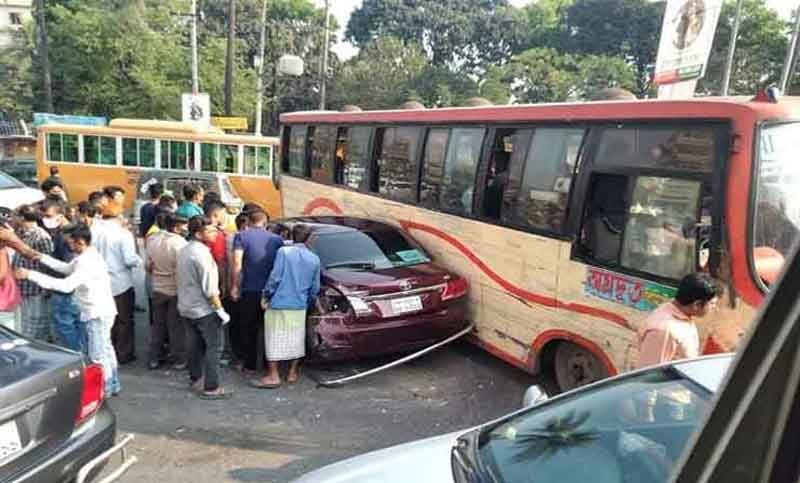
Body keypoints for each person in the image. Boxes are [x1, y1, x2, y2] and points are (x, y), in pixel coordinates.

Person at [9, 223, 121, 396]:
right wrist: (39, 257)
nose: (68, 246)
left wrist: (30, 275)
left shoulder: (87, 262)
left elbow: (66, 285)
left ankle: (103, 389)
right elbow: (66, 268)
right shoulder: (85, 256)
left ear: (80, 242)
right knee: (105, 349)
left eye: (70, 242)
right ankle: (111, 384)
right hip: (99, 311)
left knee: (98, 354)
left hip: (96, 313)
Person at [252, 224, 320, 388]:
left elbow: (275, 277)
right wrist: (308, 302)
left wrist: (266, 295)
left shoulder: (284, 252)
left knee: (274, 337)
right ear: (309, 239)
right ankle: (292, 372)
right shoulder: (314, 258)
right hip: (299, 304)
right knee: (296, 338)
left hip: (279, 302)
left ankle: (273, 375)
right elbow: (314, 288)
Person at [176, 216, 232, 400]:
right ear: (198, 234)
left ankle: (196, 379)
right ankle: (211, 386)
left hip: (186, 306)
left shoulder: (184, 250)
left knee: (193, 345)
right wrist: (220, 310)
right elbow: (210, 290)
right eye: (210, 231)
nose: (215, 234)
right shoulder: (202, 255)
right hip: (204, 310)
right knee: (214, 347)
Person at [92, 185, 141, 363]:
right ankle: (124, 354)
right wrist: (139, 260)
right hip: (121, 283)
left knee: (107, 321)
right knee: (124, 321)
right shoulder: (123, 234)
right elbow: (129, 259)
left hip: (100, 282)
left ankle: (108, 351)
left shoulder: (93, 229)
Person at [230, 209, 284, 373]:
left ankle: (250, 365)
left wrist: (234, 286)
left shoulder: (241, 237)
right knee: (270, 328)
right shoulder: (277, 239)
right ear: (265, 221)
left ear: (248, 221)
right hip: (271, 291)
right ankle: (270, 366)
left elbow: (237, 264)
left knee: (248, 328)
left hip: (249, 289)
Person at [636, 273, 721, 369]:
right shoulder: (664, 331)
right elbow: (649, 376)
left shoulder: (682, 315)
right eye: (712, 303)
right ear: (697, 304)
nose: (715, 308)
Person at [48, 202, 95, 352]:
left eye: (48, 215)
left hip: (67, 294)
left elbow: (68, 273)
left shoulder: (67, 240)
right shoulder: (67, 237)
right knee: (79, 330)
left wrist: (32, 275)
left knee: (68, 330)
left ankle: (78, 358)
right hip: (74, 295)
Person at [146, 213, 189, 370]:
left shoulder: (152, 240)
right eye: (184, 226)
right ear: (176, 227)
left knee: (158, 325)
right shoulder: (180, 244)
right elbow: (183, 270)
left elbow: (148, 266)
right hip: (175, 288)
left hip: (157, 287)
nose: (186, 229)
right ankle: (178, 359)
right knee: (175, 326)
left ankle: (154, 358)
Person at [12, 204, 54, 341]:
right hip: (22, 287)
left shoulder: (41, 236)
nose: (12, 218)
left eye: (15, 215)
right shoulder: (19, 233)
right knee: (25, 324)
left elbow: (49, 263)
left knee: (36, 324)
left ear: (22, 218)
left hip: (36, 288)